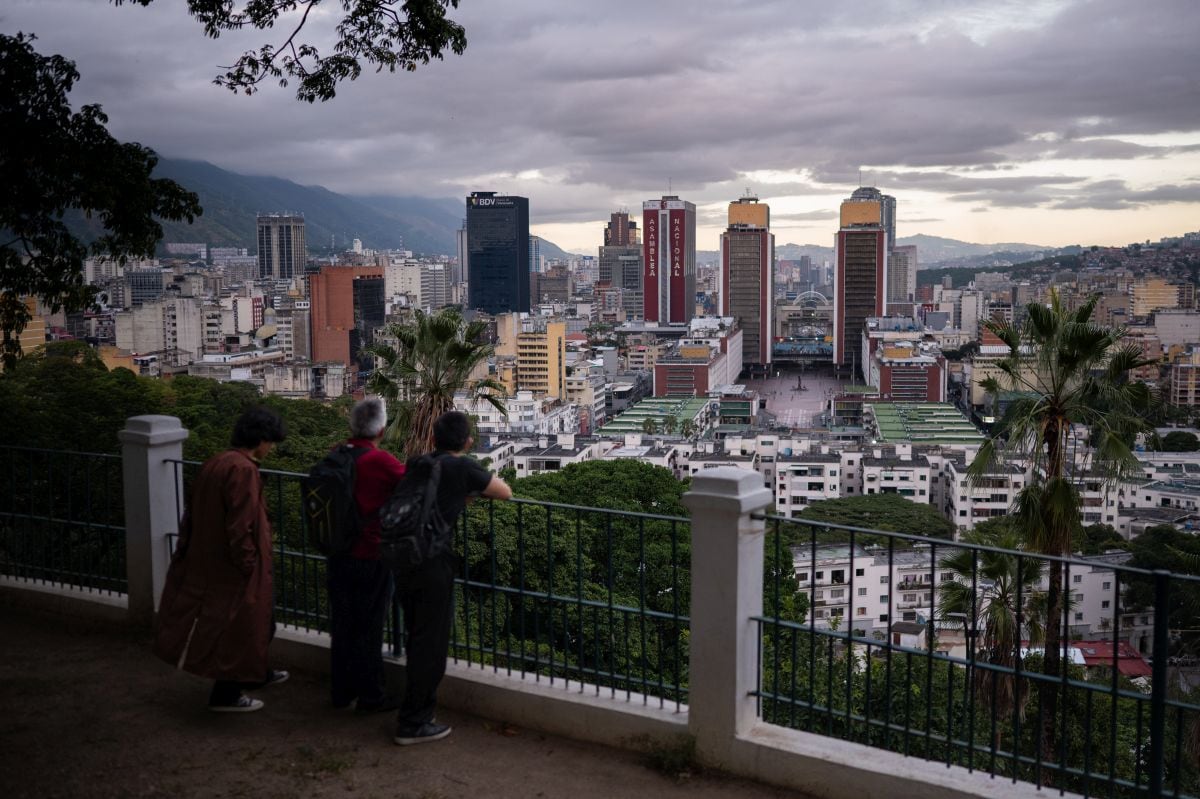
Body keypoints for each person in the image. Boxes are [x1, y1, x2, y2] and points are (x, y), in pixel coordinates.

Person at [153, 406, 288, 712]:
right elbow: (241, 525)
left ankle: (255, 674)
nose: (270, 448)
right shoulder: (244, 470)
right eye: (270, 442)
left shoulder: (216, 462)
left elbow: (192, 513)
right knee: (244, 626)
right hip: (234, 567)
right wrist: (249, 564)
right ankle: (227, 693)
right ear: (261, 440)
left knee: (258, 622)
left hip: (209, 558)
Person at [393, 410, 512, 745]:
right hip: (433, 561)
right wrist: (469, 492)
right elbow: (504, 492)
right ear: (468, 441)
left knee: (416, 635)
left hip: (403, 557)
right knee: (431, 644)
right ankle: (414, 721)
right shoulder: (462, 467)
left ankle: (413, 712)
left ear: (433, 438)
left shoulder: (418, 463)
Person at [327, 397, 406, 713]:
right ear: (382, 430)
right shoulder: (379, 461)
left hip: (337, 552)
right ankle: (371, 695)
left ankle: (341, 693)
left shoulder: (336, 454)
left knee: (342, 624)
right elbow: (411, 483)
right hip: (370, 554)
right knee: (369, 627)